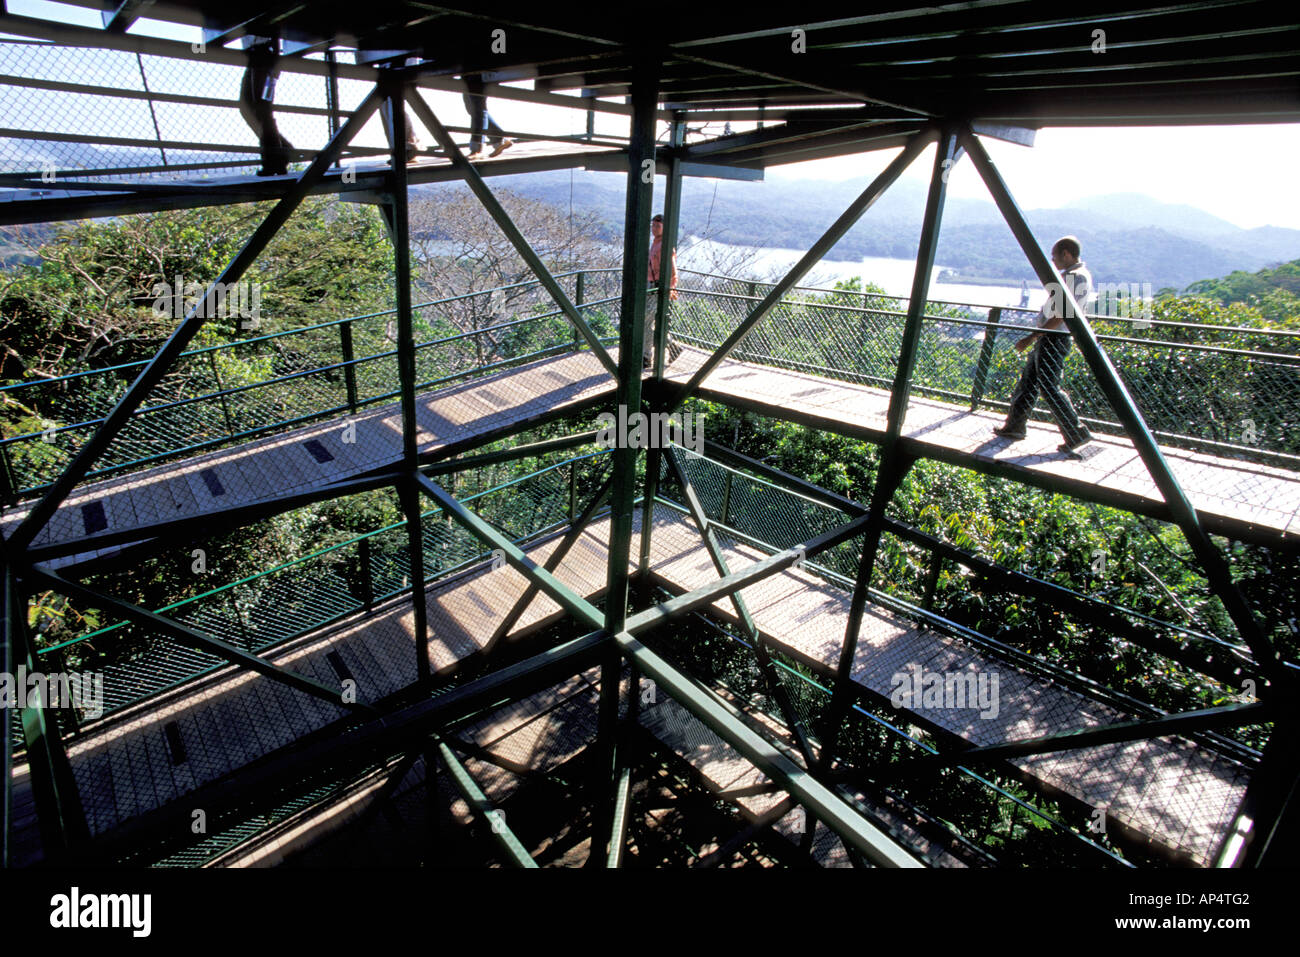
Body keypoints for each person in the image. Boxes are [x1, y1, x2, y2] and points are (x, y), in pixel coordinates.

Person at [992, 236, 1094, 456]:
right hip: (1051, 337)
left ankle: (1075, 431)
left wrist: (1032, 337)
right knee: (1029, 382)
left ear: (1066, 253)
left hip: (1053, 338)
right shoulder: (1076, 276)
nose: (1053, 261)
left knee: (1049, 386)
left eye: (1055, 256)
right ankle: (1015, 426)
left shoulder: (1074, 278)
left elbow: (1061, 315)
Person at [238, 39, 294, 176]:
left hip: (262, 55)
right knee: (248, 107)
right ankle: (282, 151)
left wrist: (275, 60)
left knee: (262, 109)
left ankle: (275, 160)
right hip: (256, 56)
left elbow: (274, 28)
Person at [645, 213, 683, 370]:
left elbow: (673, 271)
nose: (654, 229)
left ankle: (646, 357)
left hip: (658, 288)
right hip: (651, 286)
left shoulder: (664, 246)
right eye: (653, 226)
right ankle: (672, 347)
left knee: (646, 322)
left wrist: (670, 288)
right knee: (650, 322)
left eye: (657, 226)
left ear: (664, 228)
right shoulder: (656, 243)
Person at [461, 75, 514, 159]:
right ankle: (499, 140)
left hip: (480, 71)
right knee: (471, 107)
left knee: (477, 105)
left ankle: (477, 149)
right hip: (469, 71)